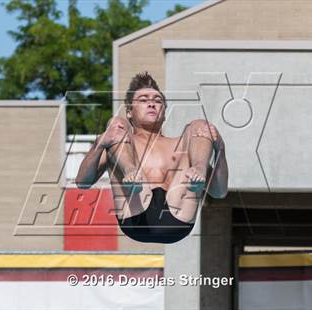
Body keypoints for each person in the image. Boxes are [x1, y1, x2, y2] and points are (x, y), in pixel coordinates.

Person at [75, 71, 228, 244]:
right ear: (130, 111)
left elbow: (219, 192)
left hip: (178, 219)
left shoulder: (184, 146)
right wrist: (100, 143)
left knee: (200, 125)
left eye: (157, 101)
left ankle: (200, 169)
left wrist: (220, 149)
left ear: (164, 111)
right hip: (135, 215)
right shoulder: (116, 143)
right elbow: (83, 182)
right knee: (116, 125)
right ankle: (130, 171)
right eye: (143, 100)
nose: (151, 104)